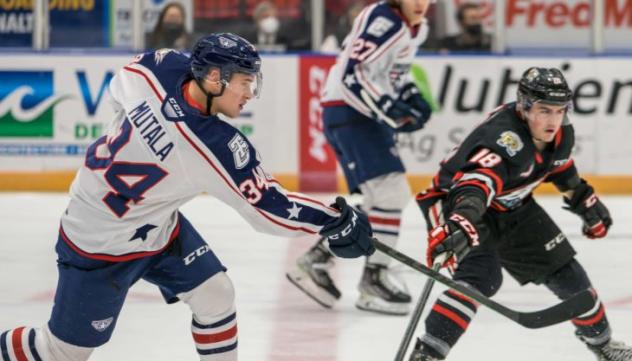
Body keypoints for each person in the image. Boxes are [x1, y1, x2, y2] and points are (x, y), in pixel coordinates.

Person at [0, 33, 375, 361]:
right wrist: (333, 220)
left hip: (154, 226)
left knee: (216, 295)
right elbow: (268, 210)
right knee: (61, 353)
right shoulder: (212, 145)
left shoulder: (159, 68)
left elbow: (119, 87)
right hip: (98, 246)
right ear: (214, 78)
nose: (249, 93)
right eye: (244, 82)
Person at [408, 67, 632, 361]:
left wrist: (581, 198)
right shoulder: (504, 139)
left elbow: (558, 166)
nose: (553, 120)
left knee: (569, 276)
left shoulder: (561, 132)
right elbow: (476, 183)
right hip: (459, 203)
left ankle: (603, 345)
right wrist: (462, 219)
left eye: (559, 110)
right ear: (524, 106)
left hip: (513, 205)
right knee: (481, 277)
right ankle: (429, 353)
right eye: (544, 110)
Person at [286, 0, 434, 316]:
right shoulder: (384, 19)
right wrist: (391, 109)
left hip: (362, 114)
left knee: (379, 198)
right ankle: (374, 277)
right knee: (390, 193)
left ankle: (317, 258)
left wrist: (410, 97)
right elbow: (357, 74)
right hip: (350, 111)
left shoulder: (416, 28)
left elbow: (392, 74)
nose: (421, 3)